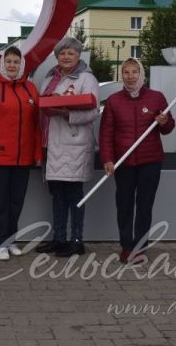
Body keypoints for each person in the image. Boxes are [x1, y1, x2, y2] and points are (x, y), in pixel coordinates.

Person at [99, 57, 175, 264]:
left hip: (150, 161)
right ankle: (126, 246)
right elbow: (106, 133)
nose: (130, 76)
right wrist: (107, 159)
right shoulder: (114, 101)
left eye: (134, 72)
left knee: (144, 205)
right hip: (123, 163)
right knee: (124, 205)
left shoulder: (156, 98)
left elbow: (168, 129)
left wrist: (164, 121)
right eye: (126, 72)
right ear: (121, 75)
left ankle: (139, 247)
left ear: (141, 74)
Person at [0, 47, 43, 260]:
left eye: (16, 61)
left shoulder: (31, 89)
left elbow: (36, 125)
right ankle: (0, 242)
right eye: (9, 61)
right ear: (2, 64)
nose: (12, 65)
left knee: (16, 202)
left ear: (22, 65)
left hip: (23, 158)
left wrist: (37, 153)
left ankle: (12, 239)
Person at [35, 37, 101, 257]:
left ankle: (76, 240)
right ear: (57, 56)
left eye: (70, 53)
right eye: (62, 53)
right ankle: (59, 238)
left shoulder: (86, 78)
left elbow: (93, 112)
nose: (65, 57)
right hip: (52, 144)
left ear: (78, 55)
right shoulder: (49, 78)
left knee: (74, 194)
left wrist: (65, 112)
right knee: (57, 194)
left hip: (74, 145)